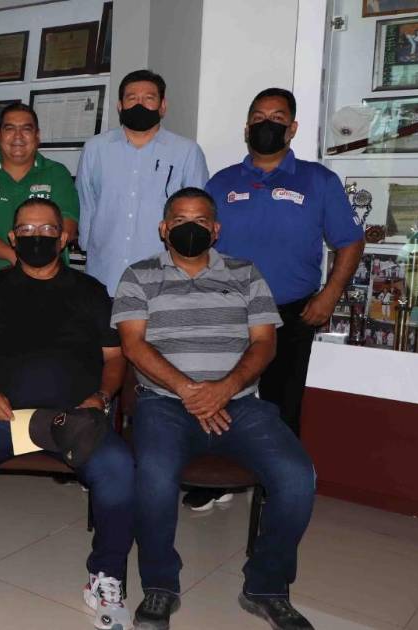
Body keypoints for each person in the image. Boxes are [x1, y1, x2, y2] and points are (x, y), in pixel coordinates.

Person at [112, 188, 316, 630]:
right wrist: (190, 391)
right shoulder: (138, 275)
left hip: (239, 403)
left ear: (216, 229)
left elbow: (265, 343)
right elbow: (133, 344)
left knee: (297, 477)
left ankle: (266, 587)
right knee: (153, 478)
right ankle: (160, 585)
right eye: (180, 220)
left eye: (201, 220)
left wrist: (224, 389)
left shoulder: (246, 274)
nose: (191, 227)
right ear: (163, 228)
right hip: (164, 403)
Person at [0, 198, 134, 629]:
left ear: (64, 238)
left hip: (74, 418)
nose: (35, 237)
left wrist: (101, 395)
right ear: (12, 237)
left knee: (118, 465)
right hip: (2, 416)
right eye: (26, 230)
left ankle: (107, 574)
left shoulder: (91, 291)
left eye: (46, 230)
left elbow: (115, 357)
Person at [206, 87, 364, 437]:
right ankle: (217, 468)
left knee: (281, 410)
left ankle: (276, 472)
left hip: (290, 314)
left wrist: (330, 296)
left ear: (292, 129)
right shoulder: (220, 182)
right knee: (220, 402)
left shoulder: (319, 180)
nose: (267, 124)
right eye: (258, 118)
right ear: (247, 128)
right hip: (227, 310)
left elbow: (351, 241)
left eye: (277, 118)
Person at [77, 69, 209, 296]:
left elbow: (198, 215)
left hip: (164, 279)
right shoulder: (95, 149)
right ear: (120, 106)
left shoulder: (187, 152)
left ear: (163, 106)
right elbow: (86, 204)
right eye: (132, 98)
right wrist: (87, 246)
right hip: (104, 273)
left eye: (149, 98)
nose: (140, 104)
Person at [0, 103, 79, 301]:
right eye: (10, 129)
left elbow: (68, 228)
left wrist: (31, 265)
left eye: (26, 129)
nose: (18, 136)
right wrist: (15, 258)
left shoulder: (57, 174)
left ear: (37, 136)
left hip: (48, 289)